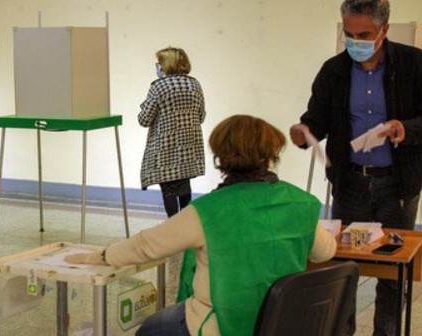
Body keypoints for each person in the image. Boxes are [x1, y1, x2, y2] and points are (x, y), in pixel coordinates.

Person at [67, 115, 337, 336]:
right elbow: (324, 252)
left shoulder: (208, 210)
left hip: (219, 323)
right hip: (283, 323)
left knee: (150, 329)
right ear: (272, 153)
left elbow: (146, 245)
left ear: (221, 156)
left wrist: (104, 255)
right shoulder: (301, 203)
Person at [289, 1, 422, 335]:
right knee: (343, 269)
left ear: (385, 30)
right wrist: (303, 133)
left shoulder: (414, 65)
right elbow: (315, 120)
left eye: (364, 35)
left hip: (397, 185)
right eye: (349, 34)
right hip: (350, 184)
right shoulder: (333, 70)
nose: (355, 42)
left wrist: (407, 129)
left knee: (392, 274)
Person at [138, 46, 206, 218]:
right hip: (189, 145)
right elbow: (201, 115)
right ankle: (185, 226)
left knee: (168, 188)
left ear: (166, 64)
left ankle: (172, 225)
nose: (157, 66)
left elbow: (144, 120)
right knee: (184, 186)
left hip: (165, 146)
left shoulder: (159, 87)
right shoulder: (194, 84)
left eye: (159, 63)